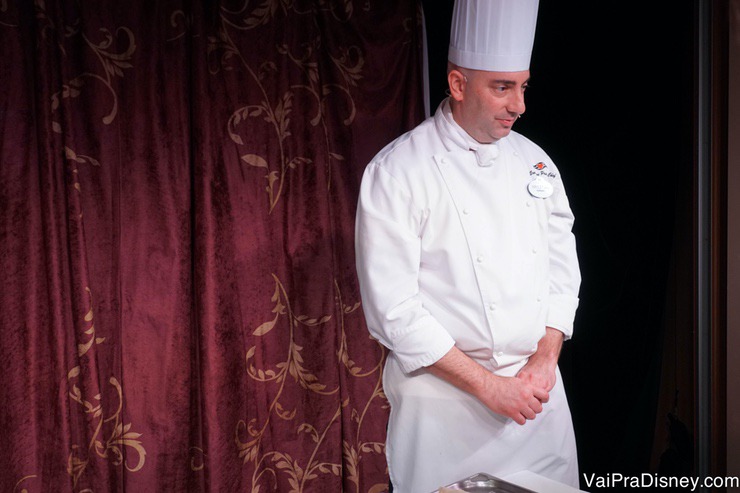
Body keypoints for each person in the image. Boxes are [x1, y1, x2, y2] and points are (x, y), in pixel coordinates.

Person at [354, 1, 581, 492]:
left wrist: (543, 363)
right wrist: (488, 387)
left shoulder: (536, 163)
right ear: (458, 85)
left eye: (522, 86)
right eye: (502, 87)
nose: (519, 105)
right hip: (444, 410)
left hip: (537, 404)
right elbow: (393, 311)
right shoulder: (397, 171)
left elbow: (563, 273)